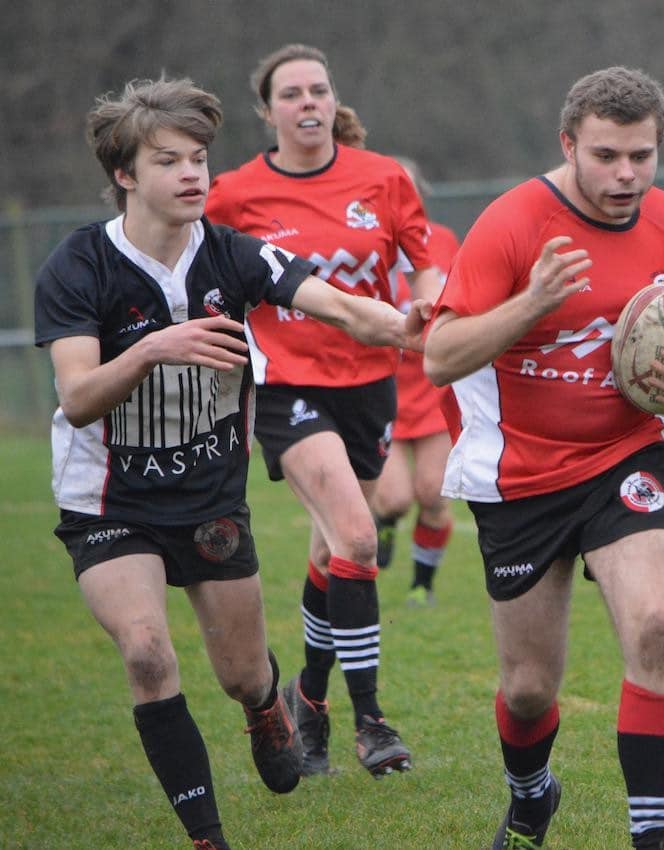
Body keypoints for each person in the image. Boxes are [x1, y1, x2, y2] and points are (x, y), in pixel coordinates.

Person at [33, 77, 427, 850]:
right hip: (110, 503)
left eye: (199, 159)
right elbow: (78, 397)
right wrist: (154, 347)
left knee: (245, 675)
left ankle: (262, 706)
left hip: (210, 496)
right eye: (168, 161)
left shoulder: (234, 254)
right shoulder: (78, 265)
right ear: (125, 175)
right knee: (147, 651)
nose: (191, 175)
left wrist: (416, 328)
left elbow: (344, 306)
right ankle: (207, 836)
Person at [423, 66, 664, 850]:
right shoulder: (513, 223)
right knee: (529, 691)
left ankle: (652, 838)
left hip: (624, 456)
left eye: (642, 155)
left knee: (657, 627)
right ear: (568, 145)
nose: (626, 174)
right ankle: (531, 795)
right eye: (606, 155)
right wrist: (533, 302)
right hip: (518, 477)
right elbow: (438, 356)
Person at [205, 44, 439, 779]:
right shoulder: (234, 193)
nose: (307, 104)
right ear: (267, 110)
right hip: (287, 385)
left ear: (333, 100)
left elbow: (424, 257)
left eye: (318, 90)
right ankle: (371, 721)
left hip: (371, 384)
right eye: (291, 94)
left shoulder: (383, 177)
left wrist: (429, 294)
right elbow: (189, 257)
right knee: (360, 537)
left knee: (331, 553)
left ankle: (309, 696)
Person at [370, 156, 459, 608]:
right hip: (380, 387)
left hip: (431, 388)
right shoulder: (363, 246)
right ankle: (384, 521)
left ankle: (422, 586)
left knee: (433, 492)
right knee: (396, 498)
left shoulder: (443, 242)